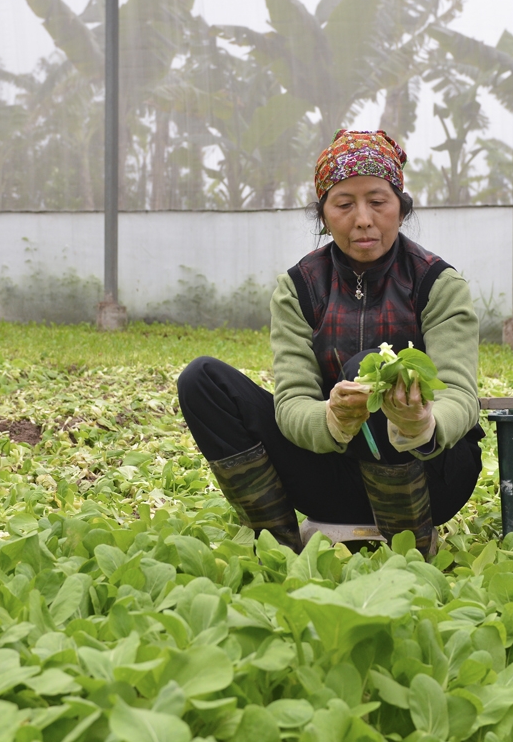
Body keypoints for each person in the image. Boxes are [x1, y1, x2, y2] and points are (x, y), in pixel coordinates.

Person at [176, 129, 484, 556]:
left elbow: (461, 395)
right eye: (344, 204)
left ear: (400, 208)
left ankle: (410, 545)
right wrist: (333, 420)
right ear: (323, 215)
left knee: (371, 368)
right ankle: (279, 547)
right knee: (201, 381)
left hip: (430, 479)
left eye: (378, 202)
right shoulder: (299, 287)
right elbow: (292, 402)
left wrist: (422, 424)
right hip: (330, 474)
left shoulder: (436, 283)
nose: (363, 219)